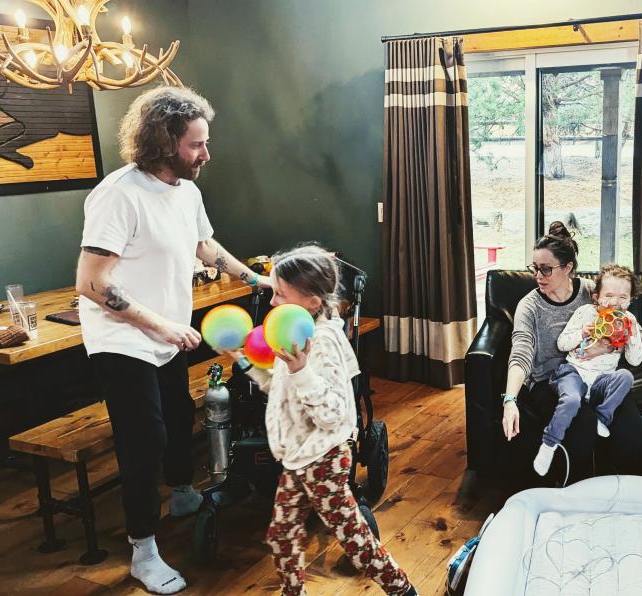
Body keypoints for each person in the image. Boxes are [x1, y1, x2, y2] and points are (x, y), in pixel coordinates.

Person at [75, 86, 269, 594]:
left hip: (166, 336)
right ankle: (143, 550)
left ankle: (182, 493)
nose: (206, 154)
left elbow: (204, 245)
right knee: (145, 441)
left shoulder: (187, 190)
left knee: (182, 418)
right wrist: (160, 325)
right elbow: (92, 282)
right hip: (123, 339)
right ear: (162, 143)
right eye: (195, 146)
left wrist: (256, 280)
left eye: (205, 143)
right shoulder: (119, 195)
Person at [222, 245, 417, 596]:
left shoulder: (323, 344)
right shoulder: (293, 335)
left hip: (323, 459)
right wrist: (244, 361)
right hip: (298, 456)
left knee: (356, 540)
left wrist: (301, 371)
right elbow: (278, 387)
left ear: (312, 301)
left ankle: (402, 590)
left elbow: (331, 414)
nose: (271, 303)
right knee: (282, 537)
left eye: (280, 295)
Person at [500, 221, 614, 483]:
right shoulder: (529, 306)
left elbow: (620, 319)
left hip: (588, 372)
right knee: (583, 420)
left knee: (626, 415)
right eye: (535, 268)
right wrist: (510, 400)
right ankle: (568, 493)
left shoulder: (591, 294)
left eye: (546, 269)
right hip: (547, 381)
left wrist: (606, 345)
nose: (538, 276)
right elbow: (521, 352)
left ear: (568, 268)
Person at [534, 264, 642, 476]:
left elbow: (635, 360)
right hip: (574, 372)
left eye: (623, 297)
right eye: (609, 295)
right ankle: (549, 444)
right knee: (572, 400)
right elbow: (562, 344)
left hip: (601, 381)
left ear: (630, 300)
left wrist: (632, 335)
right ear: (596, 297)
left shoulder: (629, 320)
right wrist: (582, 334)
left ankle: (602, 419)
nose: (615, 302)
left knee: (625, 376)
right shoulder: (585, 313)